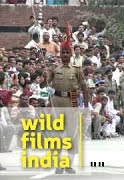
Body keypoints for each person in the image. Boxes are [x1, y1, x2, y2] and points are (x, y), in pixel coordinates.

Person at [44, 34, 88, 174]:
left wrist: (86, 106)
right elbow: (46, 84)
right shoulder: (54, 68)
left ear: (71, 54)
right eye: (62, 52)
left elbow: (84, 88)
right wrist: (47, 75)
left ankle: (69, 163)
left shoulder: (77, 69)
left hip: (73, 99)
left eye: (67, 52)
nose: (64, 54)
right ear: (60, 54)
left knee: (72, 133)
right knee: (56, 134)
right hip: (56, 100)